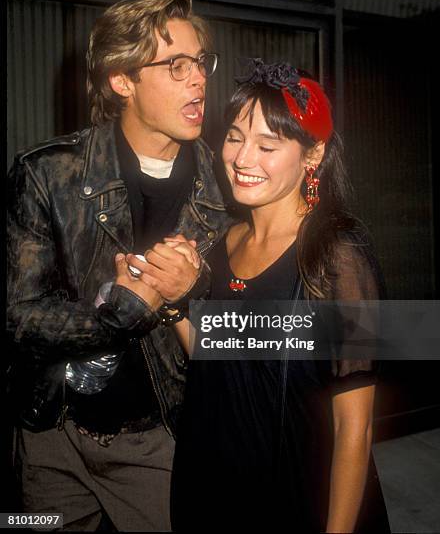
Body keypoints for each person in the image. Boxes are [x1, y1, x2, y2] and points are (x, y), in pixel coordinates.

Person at [127, 59, 391, 532]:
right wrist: (169, 299)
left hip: (298, 496)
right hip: (212, 487)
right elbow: (219, 360)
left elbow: (356, 429)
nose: (243, 159)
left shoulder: (338, 255)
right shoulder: (222, 242)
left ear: (313, 155)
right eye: (234, 137)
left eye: (268, 145)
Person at [7, 0, 232, 531]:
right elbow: (17, 315)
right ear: (122, 80)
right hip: (53, 440)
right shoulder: (47, 174)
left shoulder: (230, 182)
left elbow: (249, 337)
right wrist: (121, 311)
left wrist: (193, 291)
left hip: (161, 444)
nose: (199, 78)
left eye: (200, 62)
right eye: (176, 65)